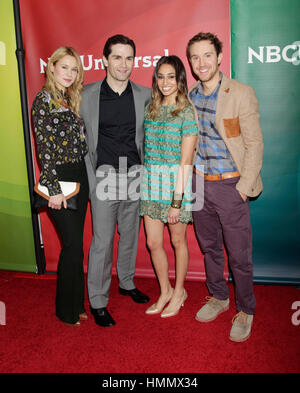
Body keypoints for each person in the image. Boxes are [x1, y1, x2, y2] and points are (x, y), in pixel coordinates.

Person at [187, 32, 264, 342]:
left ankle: (246, 309)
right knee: (209, 248)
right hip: (199, 185)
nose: (201, 62)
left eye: (207, 55)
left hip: (231, 185)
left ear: (219, 57)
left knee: (239, 254)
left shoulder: (240, 92)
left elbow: (254, 143)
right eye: (195, 57)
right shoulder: (190, 96)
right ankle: (219, 297)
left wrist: (243, 188)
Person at [80, 34, 151, 327]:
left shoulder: (145, 95)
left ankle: (126, 281)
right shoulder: (86, 95)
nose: (123, 64)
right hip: (104, 176)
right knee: (102, 241)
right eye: (117, 57)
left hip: (135, 173)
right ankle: (97, 300)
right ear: (105, 60)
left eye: (129, 58)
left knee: (131, 235)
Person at [31, 46, 89, 326]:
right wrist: (53, 189)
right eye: (64, 67)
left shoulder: (68, 98)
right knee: (72, 246)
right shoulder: (43, 101)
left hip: (80, 175)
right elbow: (44, 148)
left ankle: (77, 304)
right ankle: (65, 311)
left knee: (76, 247)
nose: (69, 73)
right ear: (51, 67)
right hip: (59, 179)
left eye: (74, 68)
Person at [140, 56, 198, 318]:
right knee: (153, 242)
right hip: (151, 185)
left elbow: (186, 160)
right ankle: (165, 290)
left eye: (171, 77)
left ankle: (179, 292)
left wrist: (177, 201)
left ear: (180, 80)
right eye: (161, 76)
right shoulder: (150, 108)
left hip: (177, 186)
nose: (165, 82)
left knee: (177, 240)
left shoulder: (186, 111)